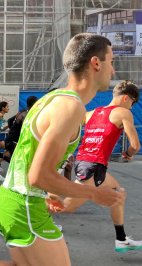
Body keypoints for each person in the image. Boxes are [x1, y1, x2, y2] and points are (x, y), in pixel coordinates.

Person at [0, 33, 125, 266]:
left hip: (17, 201)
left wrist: (48, 191)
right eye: (111, 62)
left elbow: (27, 155)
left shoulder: (51, 99)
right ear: (96, 63)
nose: (113, 71)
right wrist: (94, 193)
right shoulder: (70, 107)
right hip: (24, 207)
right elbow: (38, 175)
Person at [51, 80, 142, 252]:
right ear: (125, 98)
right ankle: (23, 215)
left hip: (86, 164)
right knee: (66, 207)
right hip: (93, 167)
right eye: (132, 103)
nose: (131, 107)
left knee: (119, 195)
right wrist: (128, 154)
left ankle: (121, 239)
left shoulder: (91, 113)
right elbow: (135, 145)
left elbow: (70, 130)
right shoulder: (123, 113)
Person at [0, 96, 39, 172]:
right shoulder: (25, 113)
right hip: (13, 139)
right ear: (34, 103)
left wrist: (11, 130)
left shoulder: (25, 111)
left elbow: (10, 120)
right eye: (37, 102)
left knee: (15, 162)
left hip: (13, 137)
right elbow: (26, 128)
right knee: (18, 162)